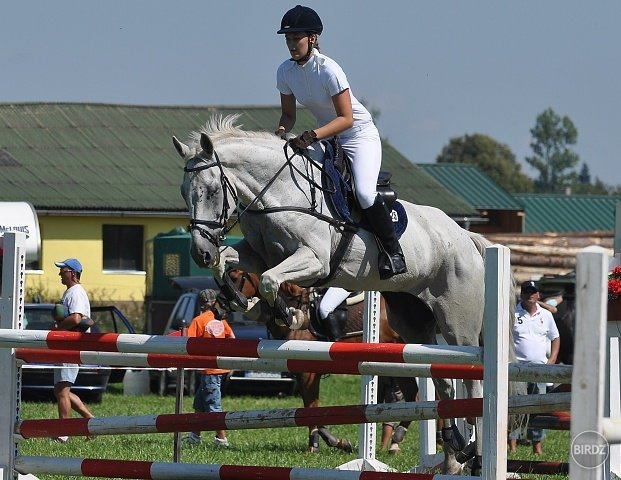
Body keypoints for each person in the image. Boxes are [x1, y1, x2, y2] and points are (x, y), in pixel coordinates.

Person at [274, 5, 406, 337]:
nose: (291, 43)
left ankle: (393, 251)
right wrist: (279, 135)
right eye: (288, 38)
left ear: (312, 38)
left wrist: (314, 135)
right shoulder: (285, 71)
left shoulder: (329, 69)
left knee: (363, 192)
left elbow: (347, 118)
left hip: (357, 135)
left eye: (296, 37)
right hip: (326, 135)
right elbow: (288, 117)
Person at [508, 280, 560, 455]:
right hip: (517, 368)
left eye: (533, 291)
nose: (530, 294)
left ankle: (536, 445)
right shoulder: (513, 313)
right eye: (526, 291)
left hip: (540, 369)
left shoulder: (546, 315)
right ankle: (512, 444)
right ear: (521, 294)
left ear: (538, 295)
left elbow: (555, 337)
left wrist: (551, 360)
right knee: (516, 407)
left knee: (538, 407)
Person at [182, 289, 235, 447]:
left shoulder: (199, 321)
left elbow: (188, 342)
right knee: (199, 404)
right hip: (221, 368)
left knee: (213, 406)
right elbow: (232, 338)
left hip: (208, 370)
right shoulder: (221, 320)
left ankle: (221, 439)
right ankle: (195, 436)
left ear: (201, 304)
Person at [52, 258, 95, 443]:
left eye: (63, 269)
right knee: (62, 390)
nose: (60, 273)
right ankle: (92, 423)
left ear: (73, 273)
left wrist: (58, 329)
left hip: (71, 346)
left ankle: (64, 432)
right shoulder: (70, 292)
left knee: (62, 390)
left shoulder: (76, 292)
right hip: (68, 346)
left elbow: (77, 318)